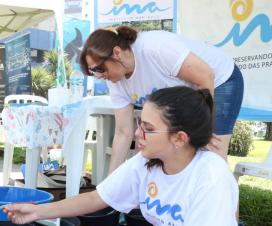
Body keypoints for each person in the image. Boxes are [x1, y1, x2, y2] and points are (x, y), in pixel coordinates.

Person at [2, 86, 242, 226]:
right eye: (140, 124)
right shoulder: (147, 160)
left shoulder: (211, 176)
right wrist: (36, 212)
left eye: (148, 128)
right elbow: (97, 197)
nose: (138, 133)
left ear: (179, 138)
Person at [80, 26, 244, 174]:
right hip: (188, 93)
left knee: (212, 152)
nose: (99, 76)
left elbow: (206, 76)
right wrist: (111, 181)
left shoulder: (154, 47)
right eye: (93, 72)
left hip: (219, 80)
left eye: (99, 68)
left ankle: (226, 206)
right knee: (170, 152)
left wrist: (203, 129)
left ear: (116, 53)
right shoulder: (115, 81)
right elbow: (123, 132)